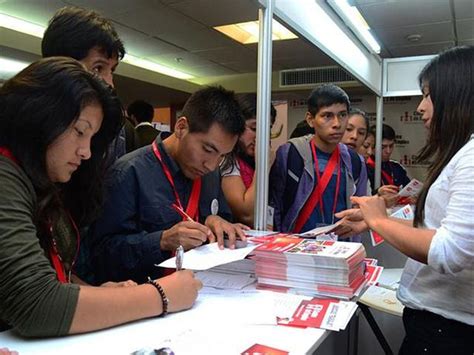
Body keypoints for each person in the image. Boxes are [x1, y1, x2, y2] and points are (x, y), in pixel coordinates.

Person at [0, 57, 201, 337]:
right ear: (38, 117)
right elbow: (35, 303)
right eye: (79, 132)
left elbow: (51, 277)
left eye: (90, 138)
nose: (85, 152)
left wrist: (94, 294)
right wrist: (159, 296)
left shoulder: (35, 180)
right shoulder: (5, 174)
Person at [336, 46, 474, 355]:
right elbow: (437, 227)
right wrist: (380, 221)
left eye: (427, 95)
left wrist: (380, 221)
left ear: (456, 96)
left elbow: (449, 251)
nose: (421, 107)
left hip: (447, 330)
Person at [88, 86, 248, 284]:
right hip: (146, 298)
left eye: (222, 156)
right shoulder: (128, 173)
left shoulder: (210, 174)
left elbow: (222, 219)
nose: (212, 165)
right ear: (181, 127)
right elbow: (102, 255)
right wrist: (161, 241)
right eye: (207, 149)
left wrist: (217, 222)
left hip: (205, 289)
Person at [269, 84, 368, 236]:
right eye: (327, 116)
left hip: (338, 249)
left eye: (342, 115)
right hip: (296, 247)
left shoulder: (355, 162)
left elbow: (358, 213)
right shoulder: (290, 153)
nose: (337, 124)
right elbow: (274, 206)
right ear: (310, 119)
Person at [42, 6, 137, 157]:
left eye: (112, 71)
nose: (110, 84)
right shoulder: (21, 127)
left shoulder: (119, 132)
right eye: (98, 69)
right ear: (60, 66)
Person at [220, 93, 277, 226]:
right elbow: (247, 214)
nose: (261, 137)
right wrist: (263, 166)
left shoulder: (253, 160)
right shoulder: (227, 159)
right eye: (255, 129)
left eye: (267, 129)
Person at [366, 124, 411, 205]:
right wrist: (376, 193)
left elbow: (409, 189)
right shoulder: (364, 168)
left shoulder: (397, 168)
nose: (388, 151)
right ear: (372, 146)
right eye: (383, 147)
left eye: (391, 146)